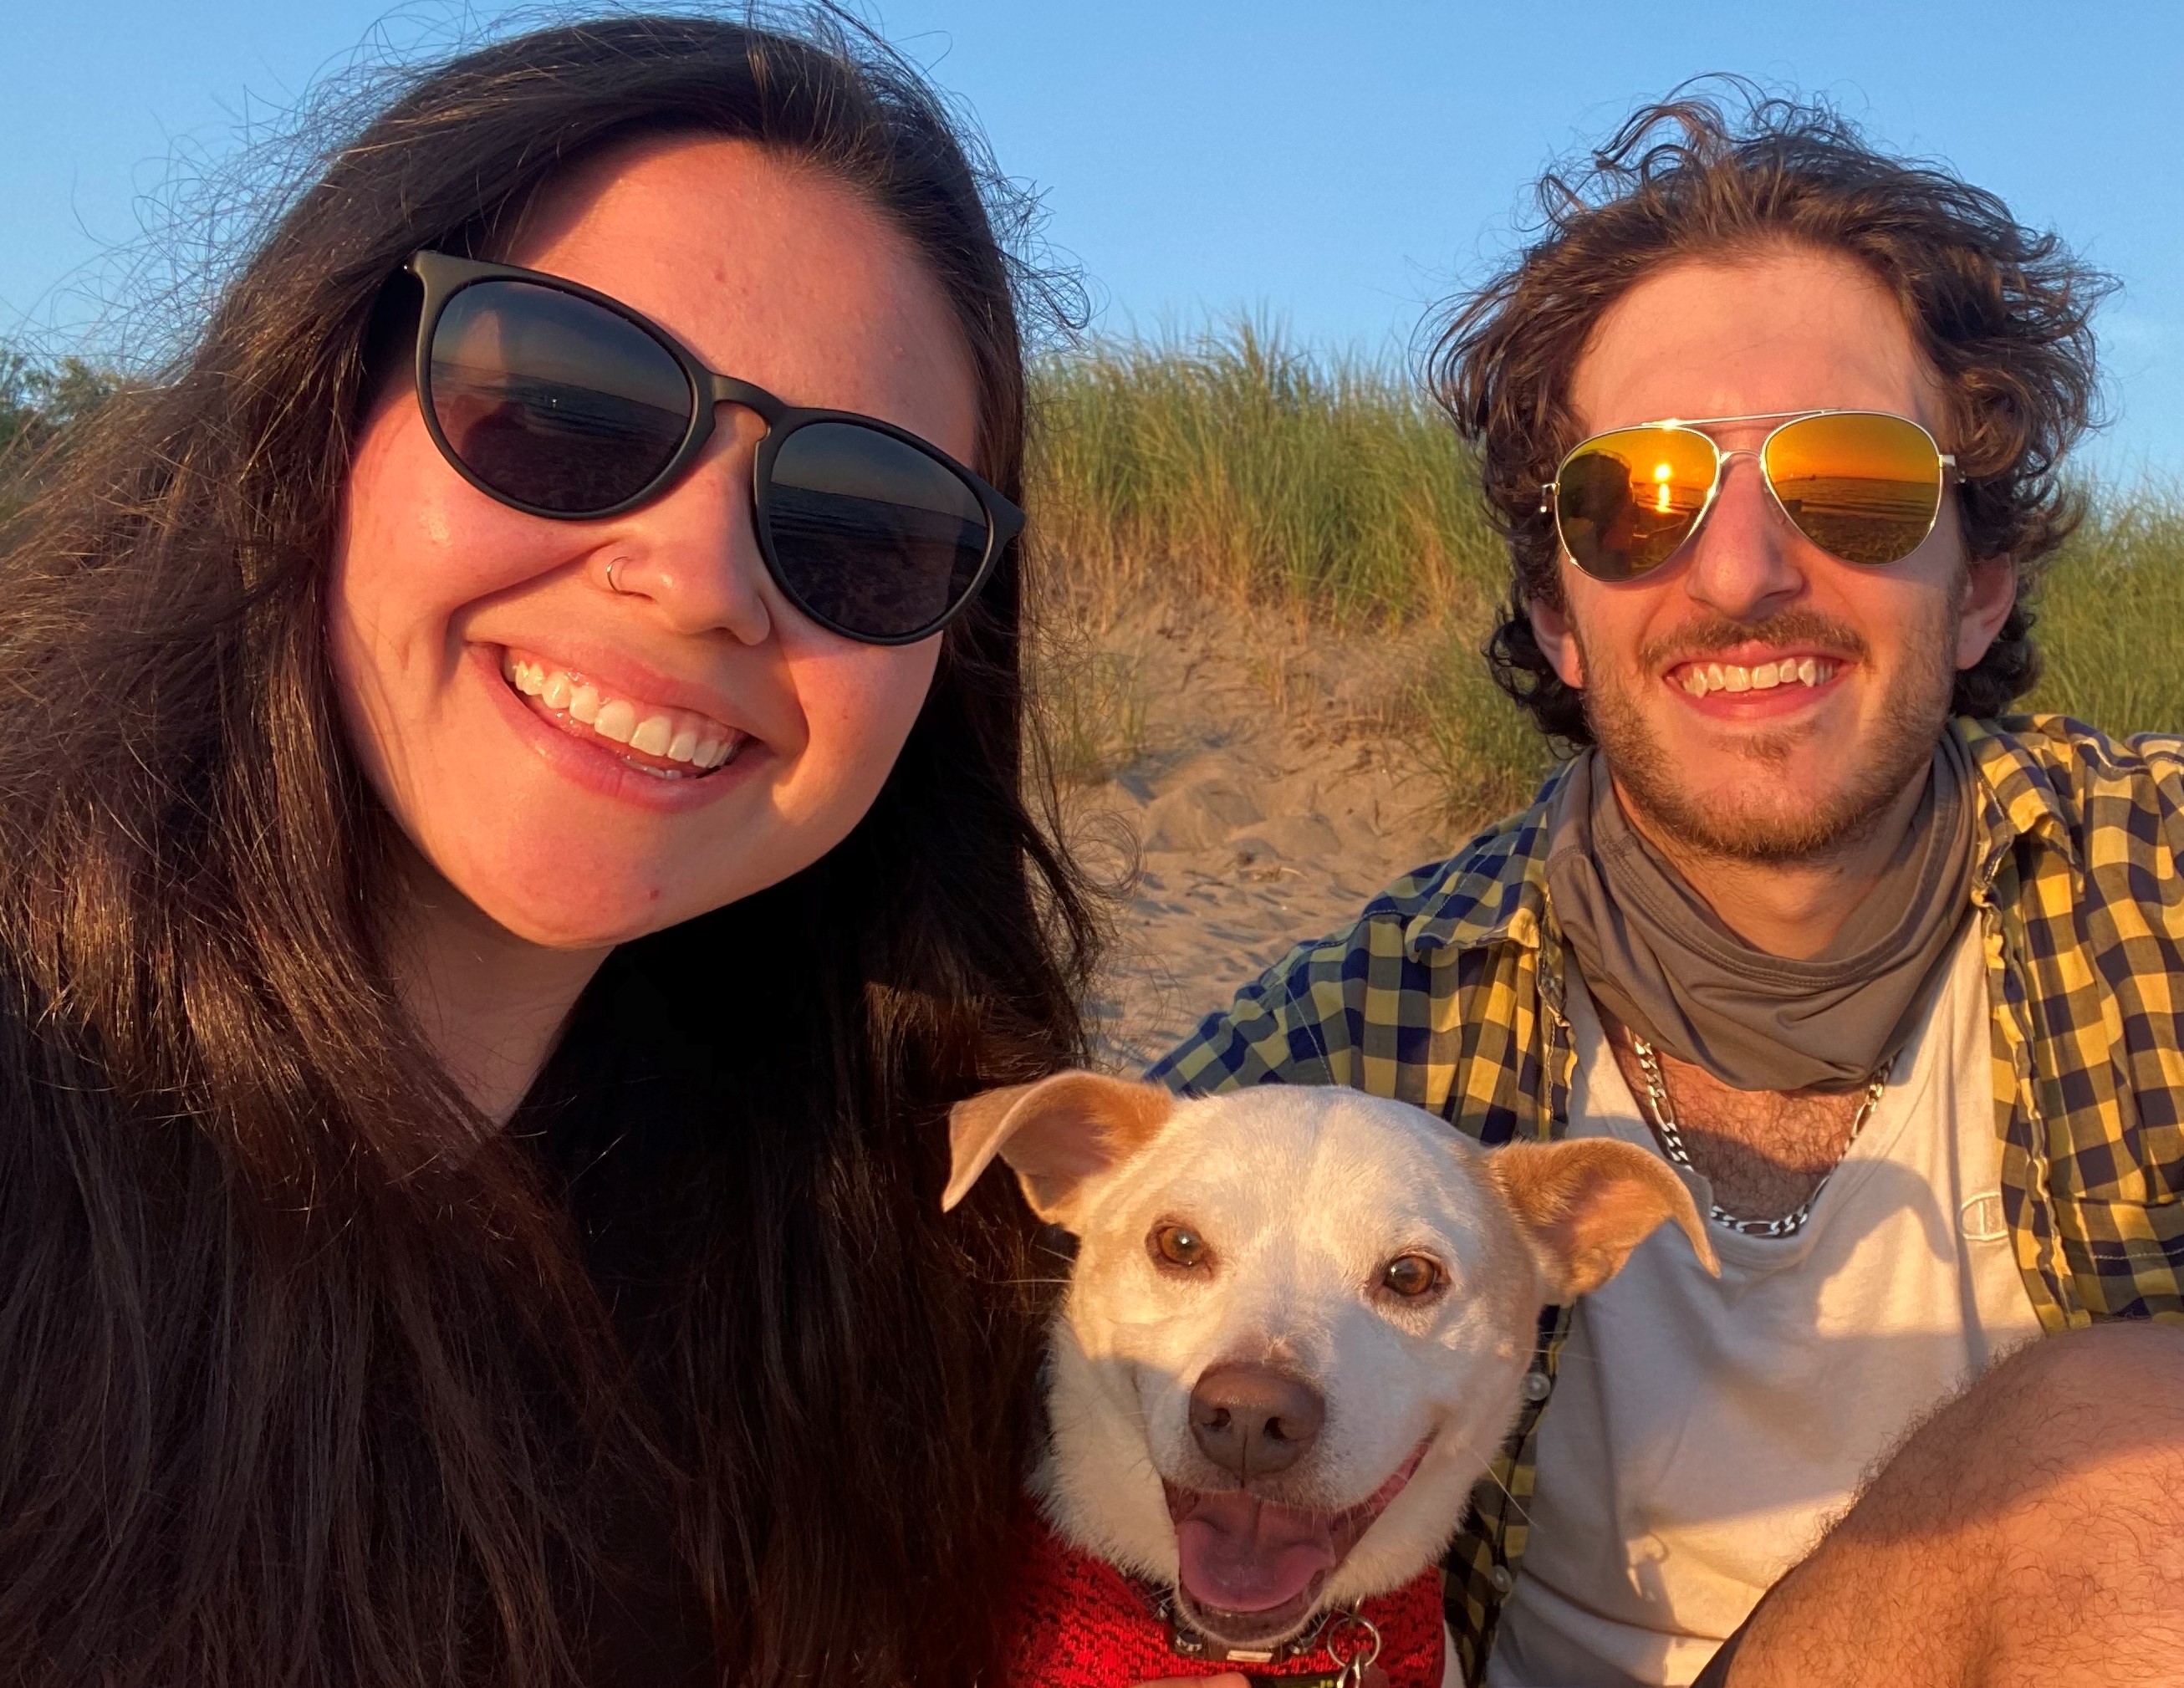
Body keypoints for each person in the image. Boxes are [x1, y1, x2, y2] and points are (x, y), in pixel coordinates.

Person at [0, 14, 1097, 1688]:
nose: (701, 571)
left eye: (865, 520)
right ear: (321, 398)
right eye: (570, 401)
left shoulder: (890, 1251)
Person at [1153, 90, 2184, 1688]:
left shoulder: (2155, 886)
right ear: (1563, 620)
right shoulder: (1370, 1034)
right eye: (1636, 500)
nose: (1741, 568)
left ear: (1979, 587)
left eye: (1853, 485)